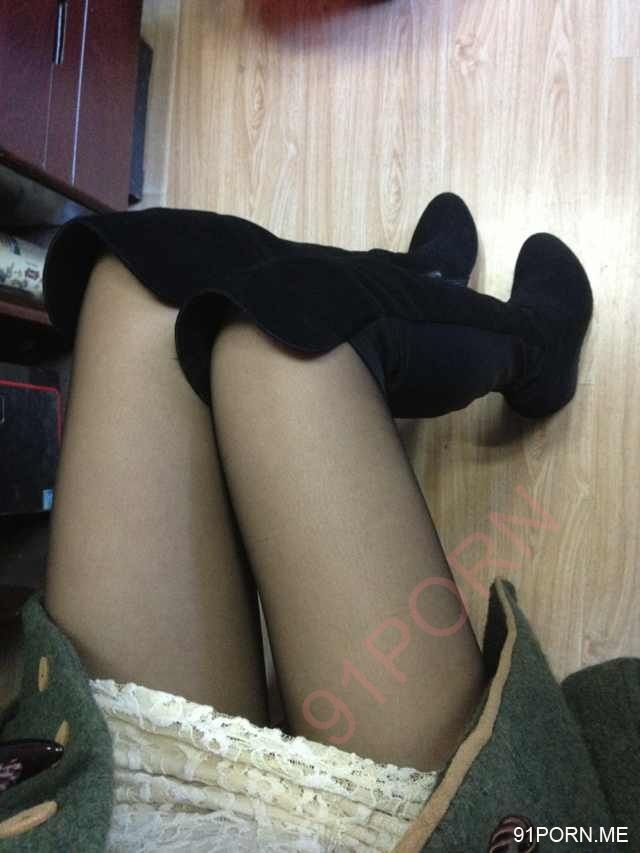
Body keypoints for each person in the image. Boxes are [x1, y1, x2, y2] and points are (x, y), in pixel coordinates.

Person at [0, 195, 636, 852]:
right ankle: (533, 349)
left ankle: (420, 284)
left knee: (141, 266)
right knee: (284, 338)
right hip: (389, 834)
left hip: (107, 801)